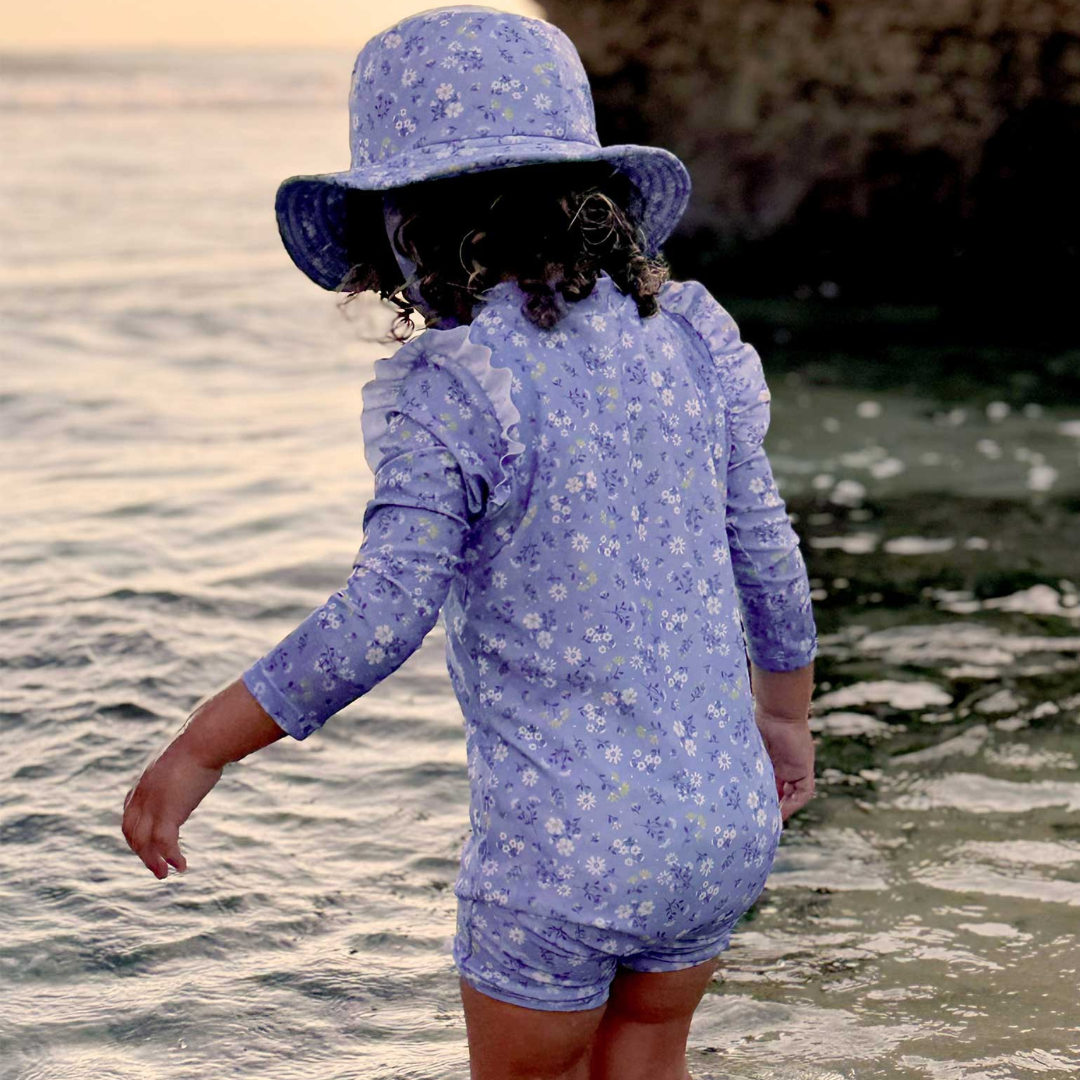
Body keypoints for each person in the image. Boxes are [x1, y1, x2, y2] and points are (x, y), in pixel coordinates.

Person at [121, 7, 818, 1078]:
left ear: (403, 228)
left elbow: (382, 615)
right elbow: (767, 552)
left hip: (564, 857)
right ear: (596, 200)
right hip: (720, 826)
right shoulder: (690, 336)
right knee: (646, 1057)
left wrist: (202, 745)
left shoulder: (448, 388)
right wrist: (783, 720)